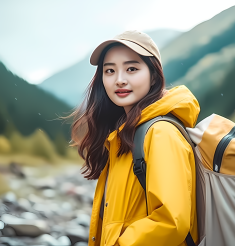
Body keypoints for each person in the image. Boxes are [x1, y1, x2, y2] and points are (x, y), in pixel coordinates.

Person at [68, 30, 199, 246]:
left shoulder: (160, 133)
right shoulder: (123, 136)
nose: (119, 80)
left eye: (132, 69)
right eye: (110, 70)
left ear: (154, 75)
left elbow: (171, 220)